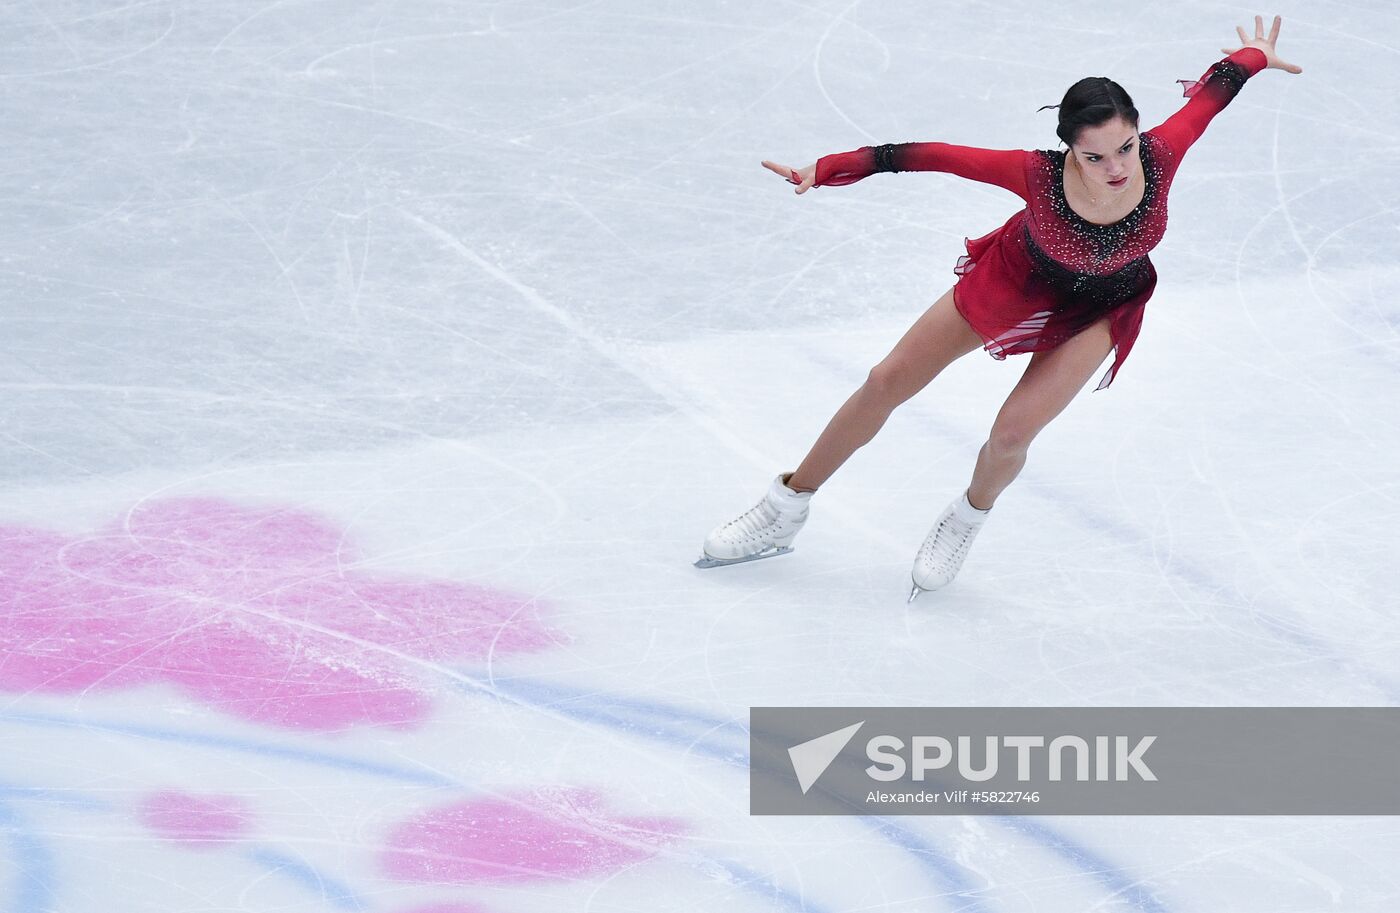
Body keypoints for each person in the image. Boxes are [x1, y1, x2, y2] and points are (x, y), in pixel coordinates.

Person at [695, 16, 1302, 601]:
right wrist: (827, 168)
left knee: (1012, 434)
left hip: (1102, 304)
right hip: (1017, 277)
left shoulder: (1161, 154)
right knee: (886, 381)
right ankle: (786, 507)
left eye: (1125, 146)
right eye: (1096, 157)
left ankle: (965, 519)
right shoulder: (1032, 175)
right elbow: (930, 154)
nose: (1117, 168)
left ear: (1139, 131)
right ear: (1069, 150)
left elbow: (1215, 94)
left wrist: (1254, 57)